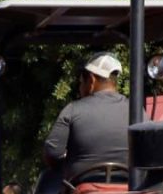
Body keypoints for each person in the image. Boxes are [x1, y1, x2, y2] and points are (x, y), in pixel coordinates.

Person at [43, 52, 131, 183]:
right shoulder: (137, 111)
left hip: (80, 190)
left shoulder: (73, 110)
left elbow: (52, 153)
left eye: (80, 83)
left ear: (91, 80)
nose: (80, 88)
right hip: (129, 190)